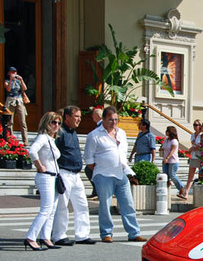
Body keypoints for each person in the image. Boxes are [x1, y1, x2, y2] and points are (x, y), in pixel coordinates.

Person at [84, 106, 146, 243]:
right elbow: (89, 160)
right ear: (104, 119)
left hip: (121, 173)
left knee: (128, 203)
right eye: (111, 119)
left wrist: (128, 172)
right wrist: (102, 168)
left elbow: (122, 153)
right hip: (103, 174)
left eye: (116, 119)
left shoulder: (122, 133)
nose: (114, 122)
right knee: (105, 205)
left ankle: (134, 232)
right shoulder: (94, 135)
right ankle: (106, 233)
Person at [51, 105, 95, 246]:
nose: (79, 120)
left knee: (82, 204)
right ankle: (58, 235)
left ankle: (82, 235)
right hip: (64, 172)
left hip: (75, 174)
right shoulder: (61, 132)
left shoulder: (73, 132)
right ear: (67, 117)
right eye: (76, 116)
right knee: (62, 206)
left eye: (80, 117)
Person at [23, 112, 63, 251]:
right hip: (45, 176)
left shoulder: (51, 140)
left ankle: (46, 237)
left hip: (54, 177)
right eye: (53, 122)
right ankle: (31, 237)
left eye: (58, 123)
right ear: (46, 123)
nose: (56, 125)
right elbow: (32, 151)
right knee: (46, 209)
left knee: (51, 210)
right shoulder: (43, 137)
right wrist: (39, 165)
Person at [4, 66, 28, 144]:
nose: (14, 73)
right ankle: (11, 139)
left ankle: (25, 140)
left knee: (22, 121)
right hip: (11, 101)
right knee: (10, 122)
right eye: (12, 72)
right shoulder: (6, 81)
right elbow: (8, 89)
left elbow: (24, 88)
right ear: (9, 73)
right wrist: (11, 79)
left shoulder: (19, 81)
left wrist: (21, 80)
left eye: (15, 72)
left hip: (19, 101)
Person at [161, 126, 186, 200]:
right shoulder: (166, 140)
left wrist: (167, 158)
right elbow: (164, 148)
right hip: (165, 160)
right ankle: (166, 190)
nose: (166, 132)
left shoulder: (174, 141)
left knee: (172, 175)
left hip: (173, 161)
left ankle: (181, 188)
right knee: (166, 176)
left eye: (167, 131)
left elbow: (172, 151)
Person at [85, 107, 103, 198]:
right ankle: (96, 190)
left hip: (99, 155)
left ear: (97, 115)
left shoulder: (101, 126)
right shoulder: (98, 125)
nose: (92, 116)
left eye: (93, 114)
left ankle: (98, 190)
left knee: (89, 170)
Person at [182, 119, 202, 197]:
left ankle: (200, 193)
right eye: (194, 125)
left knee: (201, 176)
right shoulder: (193, 135)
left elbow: (200, 146)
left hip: (201, 157)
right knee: (190, 176)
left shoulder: (202, 135)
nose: (194, 126)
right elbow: (194, 145)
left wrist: (194, 147)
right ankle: (186, 192)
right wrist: (193, 148)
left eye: (196, 125)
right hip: (194, 156)